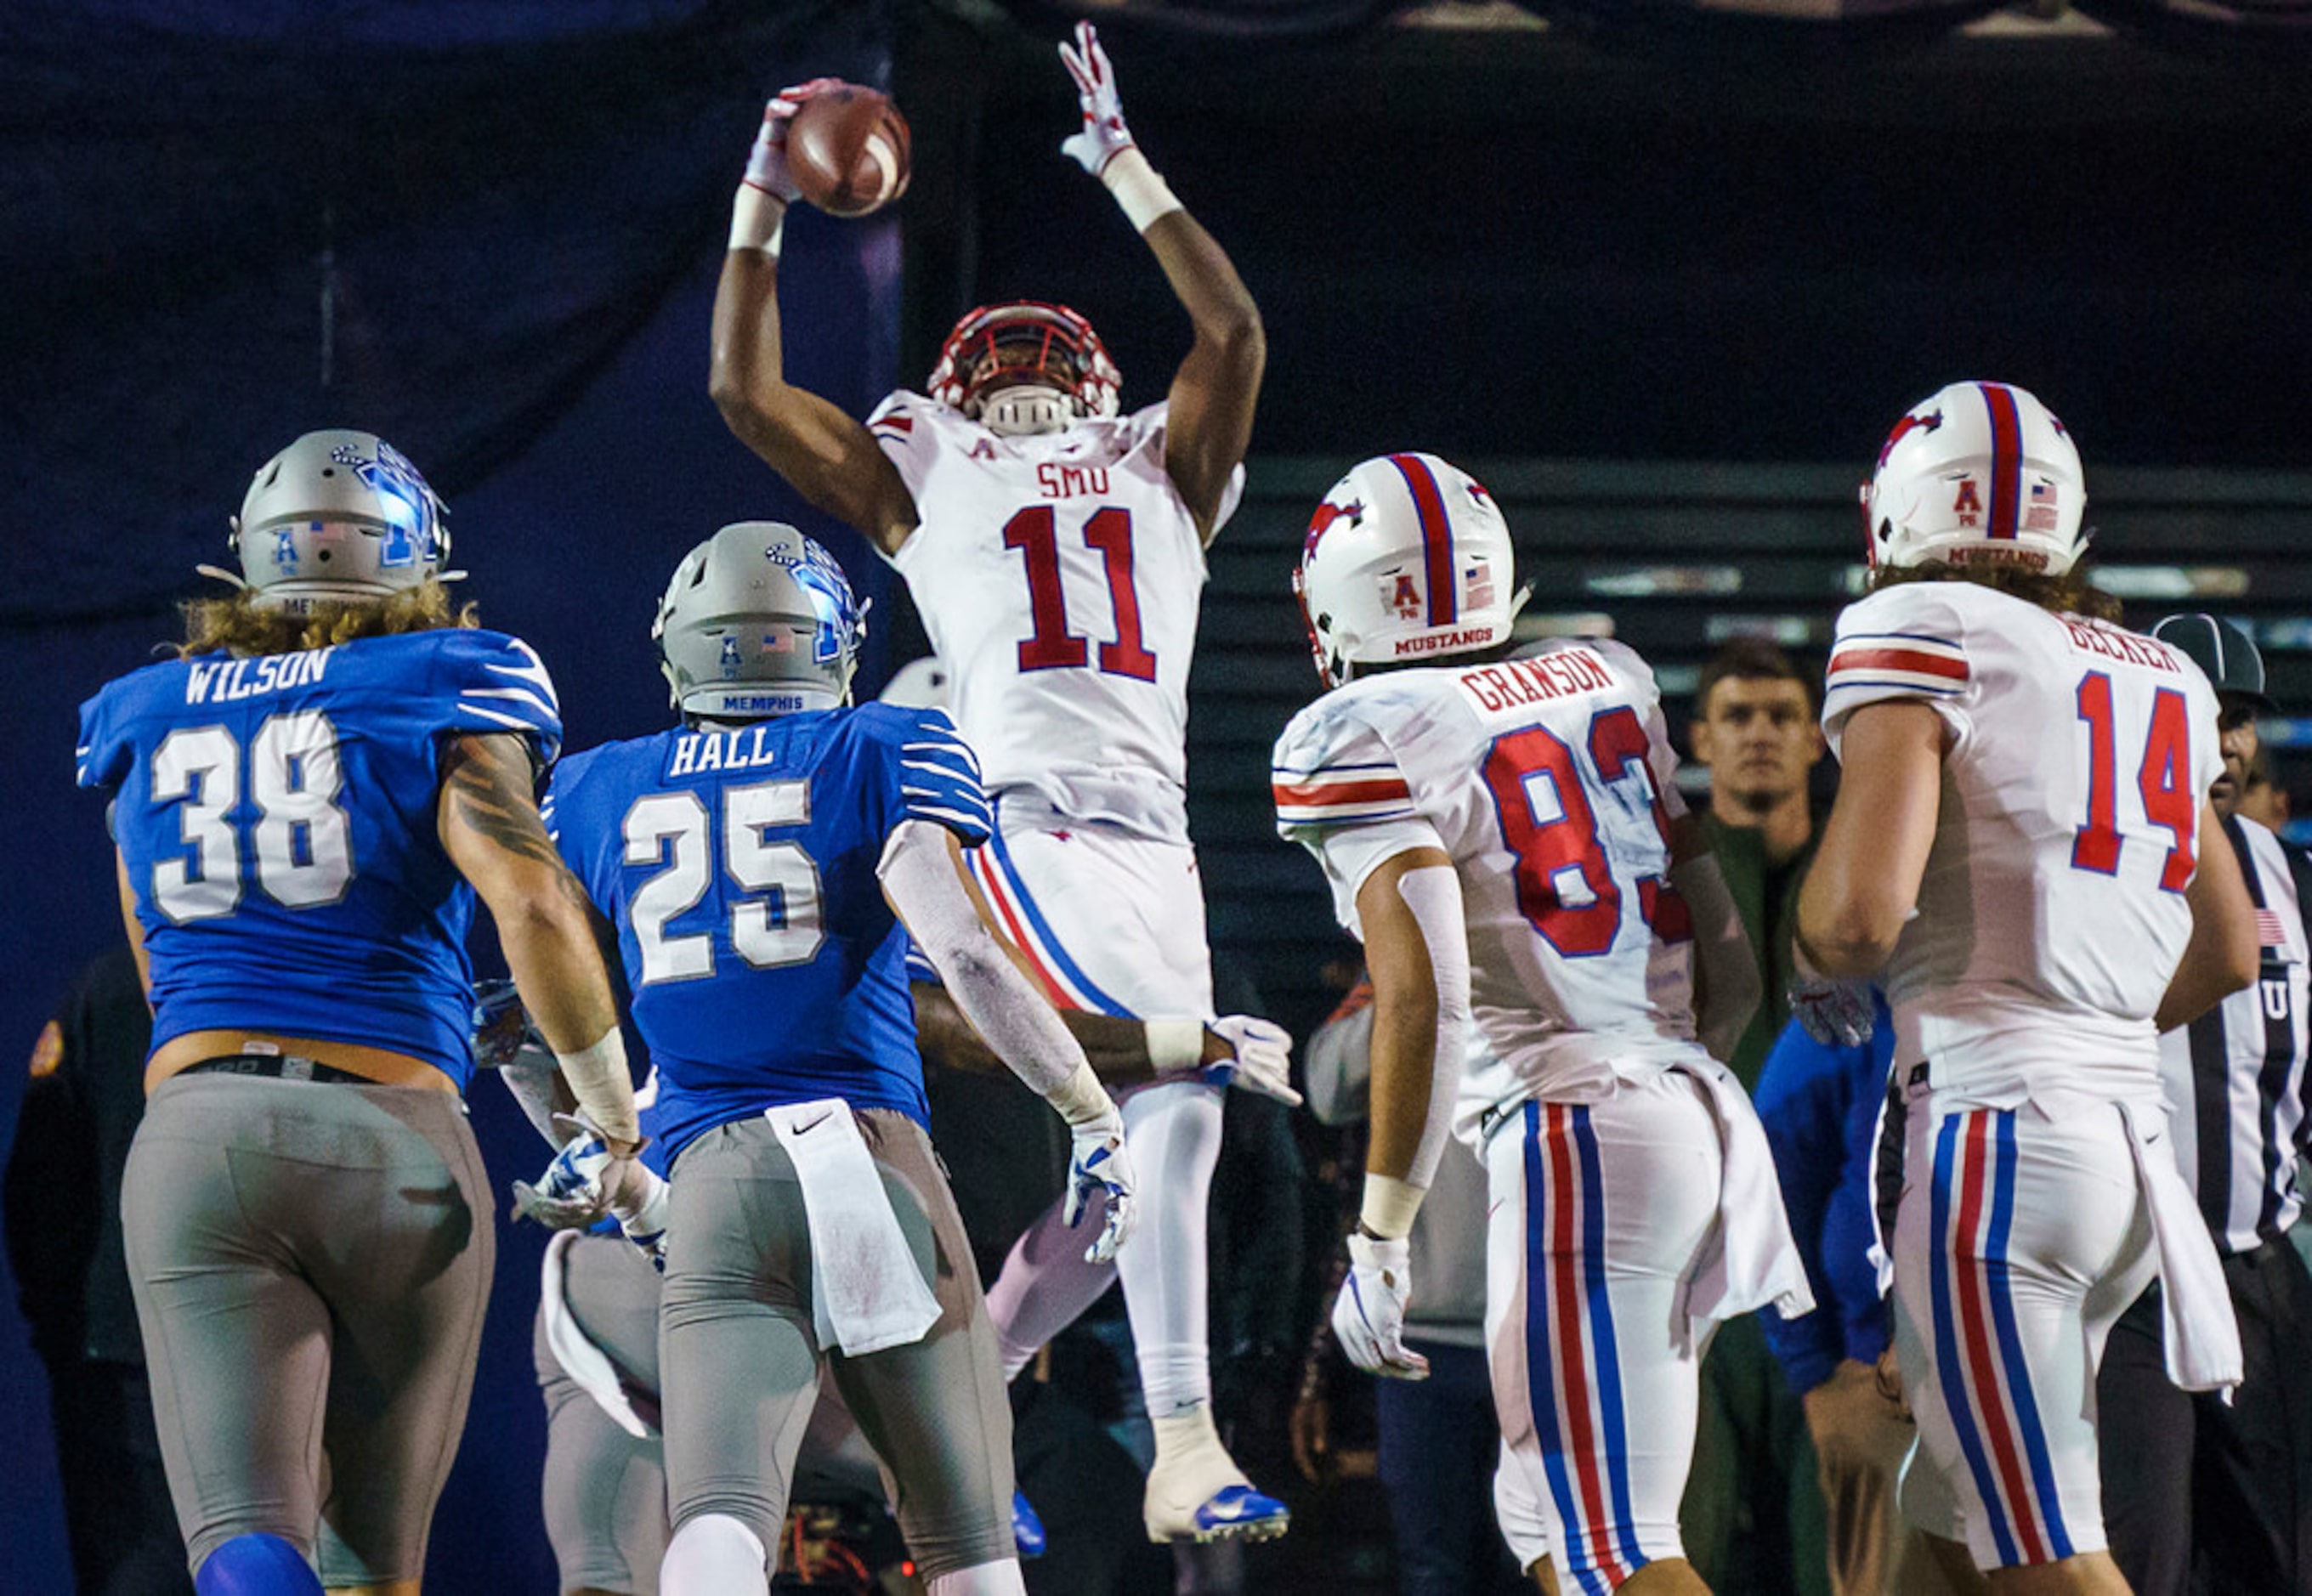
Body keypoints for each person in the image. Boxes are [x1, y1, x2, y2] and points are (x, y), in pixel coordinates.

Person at [707, 20, 1278, 1543]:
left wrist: (1121, 161)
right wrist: (764, 193)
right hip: (1019, 823)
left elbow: (1233, 341)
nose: (1022, 385)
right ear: (956, 394)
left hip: (1153, 835)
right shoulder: (925, 470)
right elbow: (745, 390)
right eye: (998, 365)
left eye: (1048, 364)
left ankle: (985, 1390)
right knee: (1174, 1082)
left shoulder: (1168, 465)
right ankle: (1181, 1434)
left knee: (1149, 1155)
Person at [73, 428, 644, 1596]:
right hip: (398, 1138)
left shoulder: (139, 709)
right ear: (416, 559)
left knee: (242, 1534)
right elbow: (530, 895)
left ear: (252, 558)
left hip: (204, 1129)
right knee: (373, 1567)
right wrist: (609, 1115)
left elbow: (159, 972)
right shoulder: (450, 673)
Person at [535, 521, 1142, 1596]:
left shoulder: (594, 785)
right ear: (828, 642)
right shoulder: (881, 744)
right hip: (870, 1158)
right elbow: (962, 951)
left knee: (718, 1519)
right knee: (968, 1543)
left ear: (682, 642)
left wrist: (599, 1138)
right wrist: (1091, 1114)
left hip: (709, 1172)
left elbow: (530, 983)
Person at [1273, 451, 1812, 1593]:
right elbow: (1731, 968)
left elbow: (1426, 994)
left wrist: (1378, 1238)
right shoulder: (1602, 677)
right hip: (1683, 1110)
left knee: (1612, 1548)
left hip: (1574, 1133)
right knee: (1561, 1529)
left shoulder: (1361, 730)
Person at [1796, 382, 2260, 1594]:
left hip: (1995, 1151)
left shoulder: (1921, 622)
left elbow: (1856, 917)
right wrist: (2086, 1034)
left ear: (1895, 513)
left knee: (2047, 1555)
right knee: (1952, 1534)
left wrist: (1809, 948)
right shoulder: (2163, 669)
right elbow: (2227, 948)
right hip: (2124, 1159)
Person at [2097, 613, 2312, 1596]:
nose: (2225, 741)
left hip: (2259, 1272)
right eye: (2206, 713)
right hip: (2131, 1276)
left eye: (2241, 720)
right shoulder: (2084, 862)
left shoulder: (2288, 875)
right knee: (2146, 1558)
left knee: (2278, 1560)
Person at [1679, 637, 1833, 1596]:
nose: (1760, 736)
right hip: (1699, 1267)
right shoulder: (1664, 879)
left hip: (1835, 1270)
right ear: (1699, 737)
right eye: (1737, 716)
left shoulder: (1863, 875)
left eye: (1781, 716)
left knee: (1841, 1565)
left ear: (1817, 736)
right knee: (1679, 1549)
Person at [5, 945, 192, 1596]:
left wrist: (60, 1325)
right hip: (255, 1334)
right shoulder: (282, 972)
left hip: (117, 1345)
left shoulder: (106, 983)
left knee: (137, 1569)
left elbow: (40, 1180)